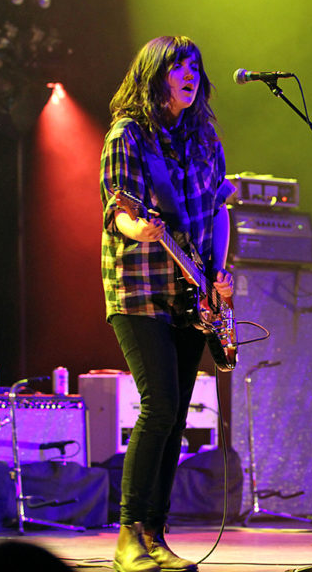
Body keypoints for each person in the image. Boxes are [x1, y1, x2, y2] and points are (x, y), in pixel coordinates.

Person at [100, 36, 235, 572]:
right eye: (178, 66)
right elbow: (120, 211)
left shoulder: (204, 140)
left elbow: (220, 209)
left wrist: (219, 271)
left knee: (176, 414)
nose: (189, 74)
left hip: (192, 293)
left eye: (196, 66)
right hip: (138, 289)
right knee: (158, 405)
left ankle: (155, 535)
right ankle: (127, 536)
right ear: (153, 75)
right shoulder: (128, 135)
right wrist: (142, 230)